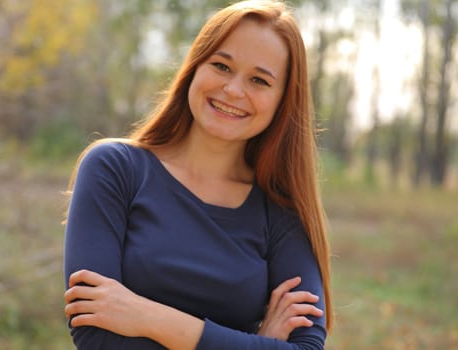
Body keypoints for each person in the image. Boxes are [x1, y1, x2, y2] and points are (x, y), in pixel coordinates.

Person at [63, 0, 333, 349]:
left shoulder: (281, 211)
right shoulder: (114, 170)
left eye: (259, 80)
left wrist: (147, 315)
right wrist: (255, 343)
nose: (234, 90)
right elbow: (95, 337)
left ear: (282, 101)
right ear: (194, 67)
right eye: (221, 66)